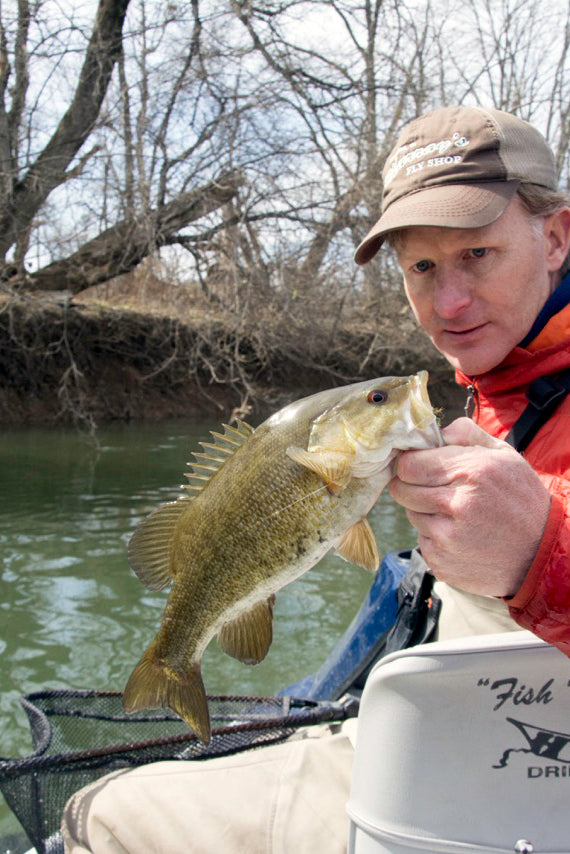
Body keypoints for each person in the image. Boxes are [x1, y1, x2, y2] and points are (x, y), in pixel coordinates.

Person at [61, 105, 570, 853]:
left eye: (478, 255)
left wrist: (543, 551)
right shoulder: (501, 396)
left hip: (481, 803)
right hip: (460, 754)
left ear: (555, 236)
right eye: (422, 268)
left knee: (99, 814)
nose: (448, 303)